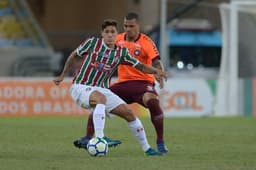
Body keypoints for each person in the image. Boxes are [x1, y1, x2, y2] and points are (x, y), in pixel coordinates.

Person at [53, 19, 167, 156]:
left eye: (112, 32)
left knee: (129, 113)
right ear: (102, 33)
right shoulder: (92, 43)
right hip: (81, 86)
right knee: (100, 99)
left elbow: (141, 66)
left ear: (116, 34)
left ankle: (147, 149)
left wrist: (157, 71)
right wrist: (62, 75)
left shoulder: (121, 52)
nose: (110, 35)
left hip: (102, 89)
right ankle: (100, 138)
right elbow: (73, 55)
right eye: (106, 32)